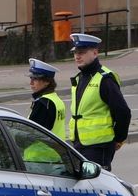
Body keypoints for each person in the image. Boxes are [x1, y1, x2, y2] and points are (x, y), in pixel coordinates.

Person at [68, 33, 131, 171]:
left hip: (99, 146)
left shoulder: (105, 79)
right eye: (75, 53)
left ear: (95, 53)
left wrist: (119, 138)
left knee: (98, 186)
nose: (77, 56)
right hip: (80, 144)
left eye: (82, 52)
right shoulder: (80, 78)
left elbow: (123, 112)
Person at [27, 58, 66, 140]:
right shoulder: (56, 99)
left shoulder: (43, 103)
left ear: (47, 82)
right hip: (55, 151)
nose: (31, 83)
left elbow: (32, 134)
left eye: (35, 79)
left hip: (41, 152)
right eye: (31, 78)